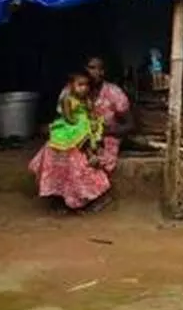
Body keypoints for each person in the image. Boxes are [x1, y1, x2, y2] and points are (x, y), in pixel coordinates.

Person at [28, 56, 131, 212]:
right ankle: (59, 195)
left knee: (76, 157)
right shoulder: (69, 92)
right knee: (52, 150)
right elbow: (63, 118)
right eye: (90, 67)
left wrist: (103, 131)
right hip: (74, 135)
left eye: (98, 68)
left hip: (104, 138)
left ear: (103, 72)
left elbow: (130, 124)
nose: (94, 72)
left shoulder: (113, 93)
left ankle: (97, 196)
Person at [46, 72, 104, 167]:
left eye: (86, 85)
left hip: (85, 119)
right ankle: (90, 155)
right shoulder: (67, 99)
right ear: (71, 86)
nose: (84, 88)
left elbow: (91, 112)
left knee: (97, 128)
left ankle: (98, 151)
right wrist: (75, 122)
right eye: (80, 85)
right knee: (81, 132)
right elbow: (67, 116)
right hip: (73, 122)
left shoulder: (86, 99)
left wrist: (93, 120)